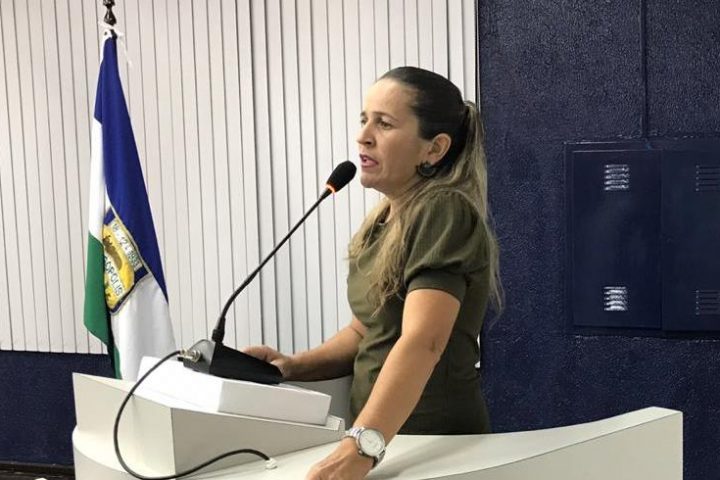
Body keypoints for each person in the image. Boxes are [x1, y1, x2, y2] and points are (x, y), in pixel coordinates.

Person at [244, 66, 502, 480]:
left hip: (432, 446)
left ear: (434, 149)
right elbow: (365, 331)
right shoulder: (383, 222)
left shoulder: (443, 211)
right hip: (382, 441)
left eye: (384, 123)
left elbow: (424, 341)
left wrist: (361, 447)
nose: (363, 136)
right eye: (364, 119)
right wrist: (290, 366)